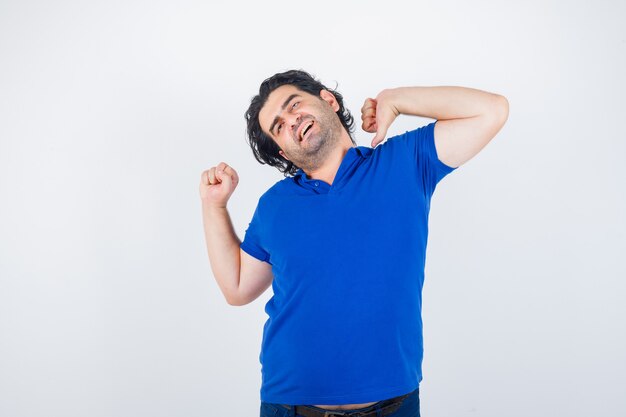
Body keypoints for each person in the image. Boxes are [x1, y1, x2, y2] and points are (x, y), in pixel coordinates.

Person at [199, 70, 509, 417]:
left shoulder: (405, 162)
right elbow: (238, 287)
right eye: (279, 126)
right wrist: (214, 206)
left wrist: (398, 98)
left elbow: (492, 111)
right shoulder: (274, 205)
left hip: (392, 406)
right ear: (283, 152)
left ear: (328, 101)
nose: (292, 120)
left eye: (294, 104)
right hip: (290, 406)